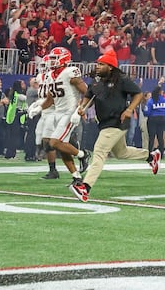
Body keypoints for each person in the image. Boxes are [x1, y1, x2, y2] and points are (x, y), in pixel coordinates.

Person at [73, 54, 157, 202]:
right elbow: (88, 96)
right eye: (97, 63)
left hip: (117, 121)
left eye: (101, 64)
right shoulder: (96, 81)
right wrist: (82, 107)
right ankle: (150, 156)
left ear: (110, 67)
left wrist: (130, 109)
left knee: (99, 152)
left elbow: (138, 94)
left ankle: (85, 187)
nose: (97, 66)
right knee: (121, 152)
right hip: (105, 122)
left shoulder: (121, 79)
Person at [38, 46, 89, 184]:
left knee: (54, 142)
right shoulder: (49, 76)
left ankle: (83, 154)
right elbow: (50, 99)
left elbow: (88, 93)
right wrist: (38, 108)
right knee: (62, 145)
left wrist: (81, 108)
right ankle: (77, 177)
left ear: (64, 59)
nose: (51, 61)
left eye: (54, 58)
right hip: (58, 112)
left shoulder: (70, 72)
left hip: (69, 112)